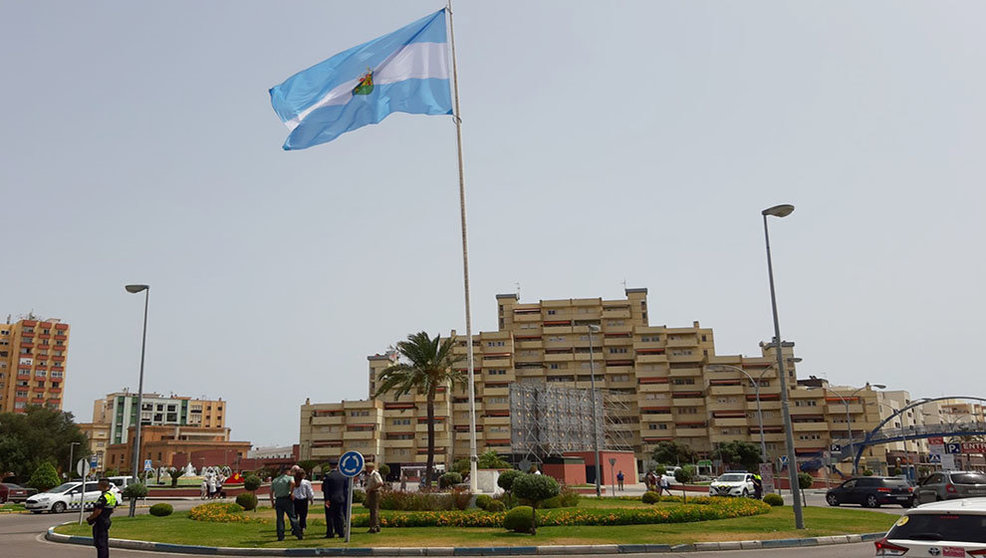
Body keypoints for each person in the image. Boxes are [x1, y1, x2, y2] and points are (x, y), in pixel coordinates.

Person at [269, 464, 302, 541]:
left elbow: (271, 492)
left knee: (280, 519)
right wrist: (291, 492)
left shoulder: (275, 480)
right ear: (287, 471)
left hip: (278, 500)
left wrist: (272, 502)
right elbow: (293, 483)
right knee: (292, 517)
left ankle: (280, 536)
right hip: (287, 499)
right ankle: (298, 533)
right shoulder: (289, 478)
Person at [85, 478, 116, 558]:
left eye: (98, 484)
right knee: (104, 543)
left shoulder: (103, 497)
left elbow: (98, 511)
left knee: (100, 543)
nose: (97, 486)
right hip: (106, 520)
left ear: (102, 485)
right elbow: (112, 509)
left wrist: (90, 518)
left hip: (101, 522)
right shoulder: (111, 495)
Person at [322, 459, 349, 538]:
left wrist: (326, 499)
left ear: (330, 466)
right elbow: (345, 488)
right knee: (340, 516)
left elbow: (325, 489)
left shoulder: (328, 476)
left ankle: (330, 533)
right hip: (340, 498)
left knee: (330, 517)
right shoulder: (343, 476)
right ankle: (341, 532)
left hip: (331, 499)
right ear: (337, 466)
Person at [364, 462, 384, 533]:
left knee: (374, 510)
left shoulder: (375, 474)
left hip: (374, 493)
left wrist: (371, 489)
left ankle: (374, 527)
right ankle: (376, 525)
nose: (366, 469)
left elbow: (380, 483)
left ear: (371, 468)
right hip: (371, 493)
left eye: (367, 467)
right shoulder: (369, 475)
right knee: (372, 510)